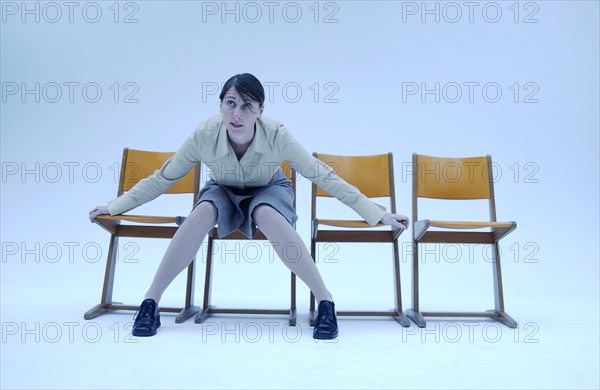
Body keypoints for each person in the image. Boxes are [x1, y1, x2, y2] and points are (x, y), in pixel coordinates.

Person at [88, 73, 409, 340]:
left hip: (269, 189)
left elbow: (322, 175)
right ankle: (150, 303)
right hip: (223, 190)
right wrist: (115, 206)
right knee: (201, 212)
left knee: (265, 213)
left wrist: (377, 213)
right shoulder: (204, 134)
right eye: (230, 103)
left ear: (260, 110)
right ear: (221, 106)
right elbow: (163, 177)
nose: (237, 113)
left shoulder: (277, 135)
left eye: (246, 105)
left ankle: (325, 301)